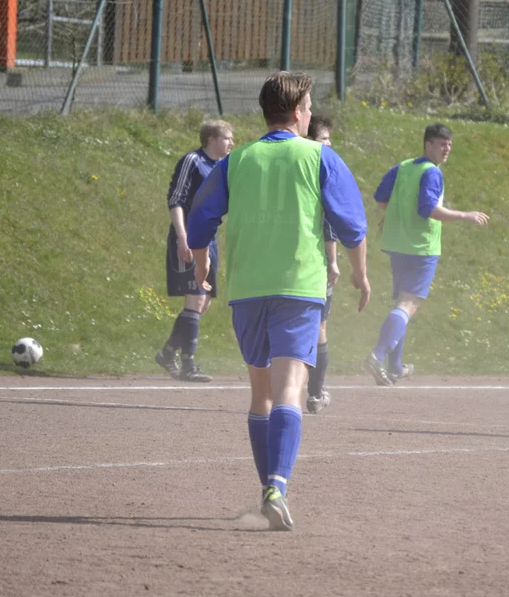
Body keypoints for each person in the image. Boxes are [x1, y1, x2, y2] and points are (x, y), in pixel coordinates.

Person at [186, 72, 370, 531]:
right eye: (308, 106)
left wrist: (202, 265)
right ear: (299, 113)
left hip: (247, 289)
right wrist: (360, 274)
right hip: (298, 287)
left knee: (261, 394)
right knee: (291, 389)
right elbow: (352, 224)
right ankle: (277, 488)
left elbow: (200, 219)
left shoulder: (238, 159)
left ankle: (269, 488)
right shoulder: (318, 156)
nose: (310, 114)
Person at [364, 124, 488, 386]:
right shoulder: (432, 173)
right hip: (421, 248)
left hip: (398, 244)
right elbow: (428, 209)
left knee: (401, 303)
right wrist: (465, 215)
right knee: (408, 305)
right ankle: (377, 354)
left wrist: (394, 216)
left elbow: (381, 197)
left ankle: (395, 366)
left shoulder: (404, 166)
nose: (447, 149)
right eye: (442, 144)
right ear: (428, 144)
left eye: (449, 145)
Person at [155, 120, 234, 382]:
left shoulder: (223, 166)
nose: (231, 143)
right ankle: (188, 363)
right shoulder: (192, 161)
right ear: (211, 139)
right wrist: (182, 237)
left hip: (209, 240)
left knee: (205, 303)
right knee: (196, 299)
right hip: (189, 237)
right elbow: (176, 199)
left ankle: (167, 353)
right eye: (227, 138)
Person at [306, 113, 337, 414]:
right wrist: (335, 261)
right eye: (324, 139)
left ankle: (282, 391)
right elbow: (331, 222)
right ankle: (315, 393)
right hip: (314, 260)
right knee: (319, 325)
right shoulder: (322, 171)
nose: (330, 144)